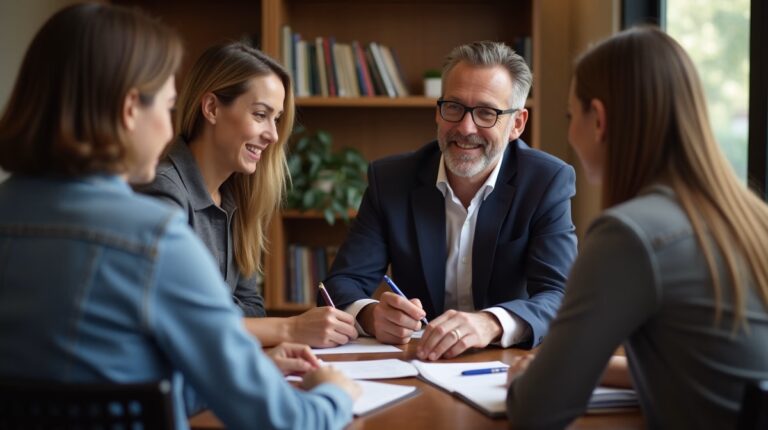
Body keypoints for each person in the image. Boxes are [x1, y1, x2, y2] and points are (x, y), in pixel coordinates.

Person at [0, 4, 359, 429]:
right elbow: (283, 422)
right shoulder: (152, 237)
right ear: (131, 109)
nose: (170, 129)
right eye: (168, 107)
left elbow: (105, 386)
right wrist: (334, 393)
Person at [506, 27, 768, 429]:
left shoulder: (629, 236)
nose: (570, 131)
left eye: (571, 115)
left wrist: (525, 379)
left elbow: (536, 413)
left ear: (600, 120)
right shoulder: (749, 216)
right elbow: (706, 369)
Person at [323, 41, 578, 361]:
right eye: (454, 107)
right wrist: (371, 316)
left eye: (486, 112)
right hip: (416, 361)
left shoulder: (545, 181)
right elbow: (342, 282)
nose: (465, 127)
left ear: (517, 124)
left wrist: (491, 323)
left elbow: (561, 295)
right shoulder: (391, 179)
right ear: (438, 112)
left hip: (505, 364)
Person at [137, 42, 358, 348]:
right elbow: (176, 321)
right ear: (212, 108)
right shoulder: (164, 192)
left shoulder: (236, 197)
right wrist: (289, 329)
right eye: (260, 114)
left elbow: (253, 307)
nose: (273, 135)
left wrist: (220, 318)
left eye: (276, 118)